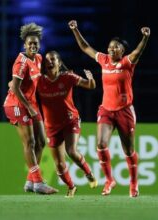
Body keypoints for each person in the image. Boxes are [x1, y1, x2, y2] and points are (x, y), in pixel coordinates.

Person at [69, 20, 150, 197]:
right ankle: (109, 180)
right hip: (106, 109)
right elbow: (85, 47)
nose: (111, 49)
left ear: (122, 50)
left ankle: (134, 184)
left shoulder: (128, 62)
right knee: (101, 144)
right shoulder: (104, 60)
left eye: (116, 47)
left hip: (125, 111)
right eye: (110, 47)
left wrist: (145, 37)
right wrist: (76, 30)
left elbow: (139, 51)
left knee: (128, 151)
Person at [3, 23, 58, 194]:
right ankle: (38, 182)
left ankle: (30, 182)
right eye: (30, 43)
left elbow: (38, 81)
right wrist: (29, 107)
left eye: (35, 43)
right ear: (24, 45)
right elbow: (16, 88)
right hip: (17, 105)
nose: (33, 46)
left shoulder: (39, 59)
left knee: (42, 141)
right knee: (30, 142)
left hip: (31, 104)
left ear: (39, 44)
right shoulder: (21, 62)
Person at [37, 51, 98, 198]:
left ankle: (88, 173)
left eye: (53, 59)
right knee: (58, 164)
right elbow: (21, 86)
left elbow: (90, 86)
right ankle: (71, 187)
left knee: (71, 151)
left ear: (59, 62)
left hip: (70, 120)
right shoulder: (38, 81)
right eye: (47, 60)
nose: (49, 62)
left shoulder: (68, 77)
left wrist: (91, 79)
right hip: (51, 126)